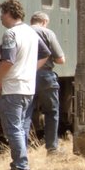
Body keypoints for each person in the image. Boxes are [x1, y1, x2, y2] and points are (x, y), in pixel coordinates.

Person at [0, 0, 48, 170]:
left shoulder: (11, 34)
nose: (0, 17)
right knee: (21, 128)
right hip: (28, 88)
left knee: (13, 129)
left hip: (12, 87)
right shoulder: (32, 33)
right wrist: (31, 69)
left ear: (9, 13)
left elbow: (8, 60)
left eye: (2, 13)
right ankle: (19, 166)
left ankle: (21, 168)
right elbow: (46, 54)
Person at [28, 12, 66, 154]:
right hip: (45, 76)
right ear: (44, 21)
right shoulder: (47, 33)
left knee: (25, 112)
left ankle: (22, 148)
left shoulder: (23, 31)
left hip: (26, 76)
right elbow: (60, 59)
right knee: (51, 111)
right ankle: (52, 148)